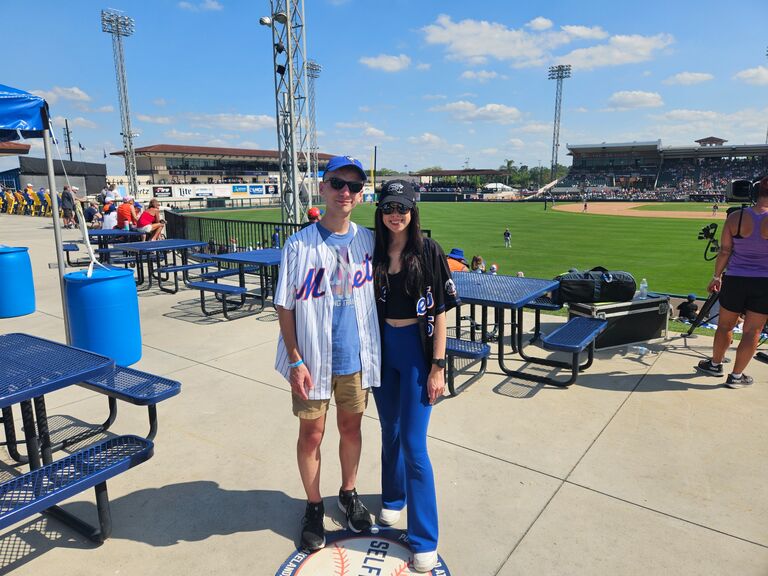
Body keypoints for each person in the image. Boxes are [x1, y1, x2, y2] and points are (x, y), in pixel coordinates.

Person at [274, 155, 379, 552]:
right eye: (337, 183)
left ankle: (348, 493)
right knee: (312, 434)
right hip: (313, 359)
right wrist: (295, 359)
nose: (345, 192)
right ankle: (315, 505)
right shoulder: (299, 243)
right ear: (323, 188)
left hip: (355, 356)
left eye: (353, 186)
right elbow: (285, 305)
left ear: (361, 194)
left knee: (351, 429)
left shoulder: (369, 240)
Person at [372, 179, 458, 573]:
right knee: (388, 427)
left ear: (412, 211)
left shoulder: (428, 251)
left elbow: (440, 311)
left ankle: (424, 536)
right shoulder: (372, 248)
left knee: (413, 443)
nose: (395, 215)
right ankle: (393, 497)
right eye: (389, 207)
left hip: (416, 352)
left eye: (402, 209)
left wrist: (438, 367)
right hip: (381, 348)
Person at [697, 176, 768, 388]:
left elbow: (725, 251)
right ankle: (737, 377)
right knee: (752, 331)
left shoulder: (735, 217)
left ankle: (715, 364)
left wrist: (716, 276)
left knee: (725, 326)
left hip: (735, 279)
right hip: (764, 283)